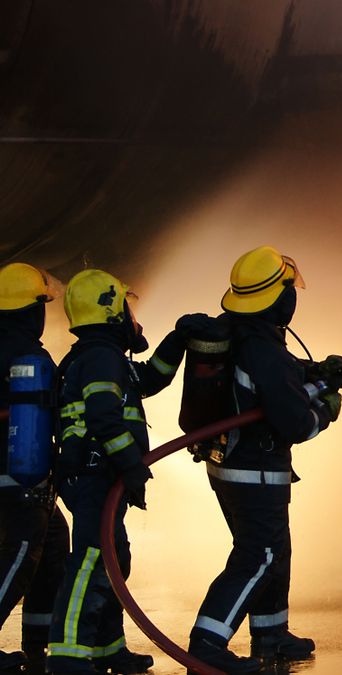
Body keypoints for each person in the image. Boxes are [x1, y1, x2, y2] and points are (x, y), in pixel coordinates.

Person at [188, 246, 342, 673]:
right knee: (259, 553)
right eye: (289, 288)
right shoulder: (263, 348)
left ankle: (271, 634)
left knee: (274, 549)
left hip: (232, 462)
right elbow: (296, 422)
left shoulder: (241, 332)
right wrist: (327, 409)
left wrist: (316, 371)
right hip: (254, 470)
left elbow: (273, 380)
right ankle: (207, 643)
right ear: (278, 296)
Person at [46, 269, 196, 675]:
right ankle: (68, 653)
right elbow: (104, 419)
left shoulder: (103, 357)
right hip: (96, 474)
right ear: (111, 310)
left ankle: (107, 647)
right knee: (93, 557)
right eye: (126, 306)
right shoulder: (100, 358)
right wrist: (131, 466)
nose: (132, 315)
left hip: (98, 475)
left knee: (114, 558)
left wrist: (178, 340)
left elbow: (146, 380)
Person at [0, 263, 69, 672]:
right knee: (21, 552)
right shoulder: (28, 355)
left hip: (14, 475)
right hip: (17, 477)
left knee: (54, 546)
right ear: (30, 310)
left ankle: (37, 645)